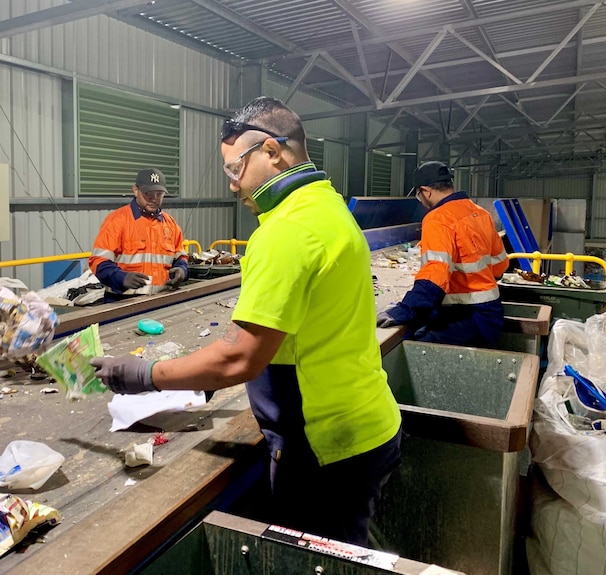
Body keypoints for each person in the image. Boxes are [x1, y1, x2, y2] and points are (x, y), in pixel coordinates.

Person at [91, 97, 402, 547]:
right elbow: (293, 329)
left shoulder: (285, 230)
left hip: (327, 446)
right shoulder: (327, 206)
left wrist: (142, 374)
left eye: (235, 169)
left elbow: (239, 359)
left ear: (273, 152)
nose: (233, 186)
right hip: (366, 424)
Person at [376, 161, 508, 347]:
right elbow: (500, 266)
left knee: (406, 346)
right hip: (492, 315)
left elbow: (435, 277)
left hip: (465, 318)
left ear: (426, 191)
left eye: (418, 195)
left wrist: (404, 310)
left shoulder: (438, 218)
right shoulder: (480, 213)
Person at [88, 168, 188, 299]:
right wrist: (121, 278)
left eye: (159, 194)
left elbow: (180, 257)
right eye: (148, 194)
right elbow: (98, 261)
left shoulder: (170, 224)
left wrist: (182, 270)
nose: (154, 199)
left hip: (161, 300)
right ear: (136, 190)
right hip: (122, 303)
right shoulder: (117, 221)